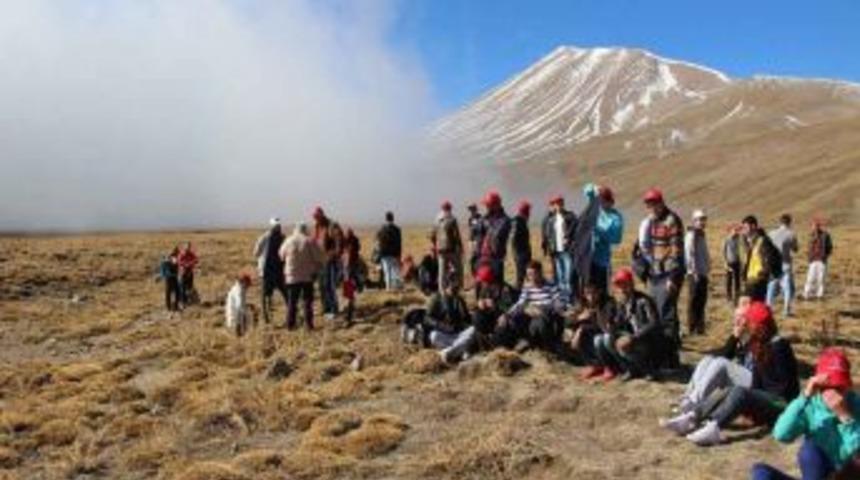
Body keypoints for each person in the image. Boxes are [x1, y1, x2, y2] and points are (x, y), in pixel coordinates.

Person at [666, 302, 799, 446]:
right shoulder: (758, 344)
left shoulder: (780, 346)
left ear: (760, 326)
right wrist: (754, 401)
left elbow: (786, 389)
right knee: (728, 390)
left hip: (782, 403)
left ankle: (714, 427)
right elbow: (757, 379)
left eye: (750, 322)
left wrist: (757, 402)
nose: (748, 325)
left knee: (741, 392)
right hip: (767, 398)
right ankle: (693, 416)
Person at [751, 348, 860, 480]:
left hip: (847, 475)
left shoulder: (856, 403)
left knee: (810, 452)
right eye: (828, 386)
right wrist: (805, 396)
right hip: (816, 474)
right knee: (761, 472)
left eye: (840, 386)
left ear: (848, 385)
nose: (834, 392)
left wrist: (845, 416)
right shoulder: (811, 404)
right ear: (819, 385)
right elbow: (781, 434)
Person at [661, 298, 755, 427]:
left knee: (721, 364)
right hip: (743, 380)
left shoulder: (755, 337)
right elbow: (724, 353)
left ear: (750, 320)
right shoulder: (740, 336)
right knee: (708, 360)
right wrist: (734, 338)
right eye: (735, 317)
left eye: (741, 318)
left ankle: (692, 404)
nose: (736, 321)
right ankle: (688, 399)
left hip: (756, 386)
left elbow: (731, 362)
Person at [638, 188, 685, 368]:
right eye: (648, 204)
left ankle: (672, 358)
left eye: (653, 203)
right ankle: (661, 352)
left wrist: (673, 278)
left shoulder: (671, 220)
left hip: (669, 274)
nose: (650, 207)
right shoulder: (653, 221)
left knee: (667, 315)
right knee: (655, 312)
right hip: (656, 273)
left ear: (661, 202)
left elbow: (676, 250)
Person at [496, 260, 570, 354]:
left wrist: (542, 308)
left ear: (540, 273)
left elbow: (559, 302)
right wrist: (507, 314)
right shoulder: (528, 287)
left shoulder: (551, 285)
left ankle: (547, 347)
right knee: (514, 319)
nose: (532, 277)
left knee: (541, 320)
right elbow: (520, 304)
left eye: (534, 274)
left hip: (547, 317)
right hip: (532, 317)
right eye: (529, 274)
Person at [609, 267, 663, 381]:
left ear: (631, 284)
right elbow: (618, 323)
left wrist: (632, 338)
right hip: (634, 337)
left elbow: (654, 323)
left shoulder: (644, 300)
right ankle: (631, 370)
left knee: (626, 344)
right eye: (619, 285)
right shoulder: (623, 302)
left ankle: (649, 370)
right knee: (609, 340)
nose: (622, 289)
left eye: (625, 284)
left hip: (647, 339)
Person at [570, 280, 620, 380]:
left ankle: (610, 366)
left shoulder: (608, 302)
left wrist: (581, 328)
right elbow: (568, 321)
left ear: (599, 292)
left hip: (607, 334)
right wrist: (580, 318)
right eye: (588, 294)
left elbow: (604, 326)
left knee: (600, 338)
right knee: (580, 334)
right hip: (592, 333)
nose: (591, 297)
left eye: (593, 293)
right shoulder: (583, 303)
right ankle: (594, 365)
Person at [280, 222, 325, 330]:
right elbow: (319, 257)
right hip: (307, 277)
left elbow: (281, 255)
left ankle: (290, 325)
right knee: (307, 301)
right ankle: (308, 325)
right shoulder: (310, 241)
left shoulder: (289, 240)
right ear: (305, 229)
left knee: (292, 302)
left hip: (292, 277)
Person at [583, 183, 624, 296]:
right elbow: (587, 190)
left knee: (601, 290)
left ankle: (603, 310)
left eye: (603, 200)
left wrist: (598, 231)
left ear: (610, 201)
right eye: (599, 200)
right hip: (586, 258)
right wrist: (595, 188)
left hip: (602, 261)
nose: (601, 203)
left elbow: (616, 238)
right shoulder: (595, 208)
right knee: (587, 288)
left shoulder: (615, 217)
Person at [424, 276, 472, 363]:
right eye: (453, 288)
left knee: (473, 330)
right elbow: (427, 318)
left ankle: (448, 352)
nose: (455, 290)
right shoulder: (436, 298)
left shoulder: (459, 299)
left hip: (458, 334)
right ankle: (460, 350)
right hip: (443, 334)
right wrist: (441, 326)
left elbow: (467, 319)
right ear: (445, 287)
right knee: (433, 336)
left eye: (457, 288)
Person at [542, 195, 578, 301]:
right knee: (560, 276)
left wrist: (569, 237)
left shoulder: (570, 216)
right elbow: (547, 233)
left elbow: (576, 227)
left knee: (568, 276)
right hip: (556, 251)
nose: (558, 205)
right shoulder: (551, 219)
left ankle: (569, 298)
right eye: (556, 203)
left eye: (560, 203)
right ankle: (561, 298)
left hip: (567, 250)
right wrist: (547, 247)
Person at [254, 218, 287, 323]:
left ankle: (291, 313)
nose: (278, 228)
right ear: (272, 227)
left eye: (278, 226)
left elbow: (256, 253)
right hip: (269, 271)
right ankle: (267, 318)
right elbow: (256, 252)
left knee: (282, 294)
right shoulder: (265, 238)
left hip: (277, 271)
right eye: (276, 226)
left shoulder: (282, 238)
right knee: (267, 295)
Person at [742, 215, 782, 302]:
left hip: (757, 282)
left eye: (745, 227)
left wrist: (762, 276)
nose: (743, 230)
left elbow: (768, 260)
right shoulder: (752, 242)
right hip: (751, 280)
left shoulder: (763, 241)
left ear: (753, 226)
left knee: (750, 308)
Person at [476, 190, 512, 285]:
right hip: (483, 256)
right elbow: (479, 235)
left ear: (496, 205)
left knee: (496, 283)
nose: (486, 208)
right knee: (481, 282)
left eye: (488, 205)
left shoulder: (505, 220)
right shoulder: (485, 219)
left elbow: (498, 235)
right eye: (486, 205)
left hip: (496, 257)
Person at [685, 209, 711, 335]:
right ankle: (692, 327)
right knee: (694, 301)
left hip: (702, 272)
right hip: (694, 273)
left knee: (702, 300)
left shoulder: (701, 234)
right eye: (699, 220)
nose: (702, 222)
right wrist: (693, 271)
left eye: (703, 219)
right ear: (694, 221)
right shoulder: (692, 235)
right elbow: (690, 254)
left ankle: (700, 328)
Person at [768, 214, 800, 317]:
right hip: (785, 264)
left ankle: (768, 308)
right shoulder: (791, 234)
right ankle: (786, 310)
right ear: (789, 222)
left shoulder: (771, 233)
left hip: (773, 263)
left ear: (780, 222)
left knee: (771, 287)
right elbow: (795, 249)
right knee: (787, 288)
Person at [312, 207, 340, 319]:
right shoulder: (317, 226)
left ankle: (333, 309)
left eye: (317, 217)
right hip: (319, 261)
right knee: (322, 286)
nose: (316, 219)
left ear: (322, 216)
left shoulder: (332, 225)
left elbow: (338, 244)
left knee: (329, 285)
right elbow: (315, 241)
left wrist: (332, 255)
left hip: (329, 260)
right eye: (315, 218)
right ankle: (326, 308)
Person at [432, 201, 464, 292]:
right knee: (458, 268)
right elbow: (456, 236)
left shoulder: (437, 219)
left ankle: (442, 290)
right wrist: (461, 248)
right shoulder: (452, 219)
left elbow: (432, 235)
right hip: (451, 249)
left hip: (440, 250)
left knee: (441, 272)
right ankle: (458, 287)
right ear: (450, 208)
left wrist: (435, 246)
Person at [803, 218, 834, 301]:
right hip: (813, 259)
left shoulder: (825, 235)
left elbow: (830, 247)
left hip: (821, 260)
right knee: (810, 277)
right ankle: (807, 294)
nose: (815, 227)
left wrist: (825, 255)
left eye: (817, 225)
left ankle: (820, 295)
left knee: (821, 278)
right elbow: (808, 246)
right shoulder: (811, 235)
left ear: (819, 226)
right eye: (813, 226)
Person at [376, 211, 403, 291]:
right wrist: (399, 255)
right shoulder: (397, 230)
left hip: (384, 254)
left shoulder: (381, 229)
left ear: (386, 218)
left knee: (387, 272)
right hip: (394, 254)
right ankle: (395, 288)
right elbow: (399, 243)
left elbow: (378, 242)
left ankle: (388, 288)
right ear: (393, 218)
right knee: (395, 271)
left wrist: (379, 256)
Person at [510, 200, 532, 290]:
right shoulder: (518, 221)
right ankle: (518, 293)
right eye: (528, 211)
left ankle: (523, 290)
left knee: (524, 274)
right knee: (521, 274)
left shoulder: (520, 221)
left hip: (522, 252)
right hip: (520, 253)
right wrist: (518, 252)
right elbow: (514, 238)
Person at [342, 228, 362, 325]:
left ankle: (348, 317)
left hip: (348, 269)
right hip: (352, 268)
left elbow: (347, 260)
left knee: (349, 294)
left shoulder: (348, 248)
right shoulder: (354, 243)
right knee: (350, 294)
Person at [723, 224, 744, 305]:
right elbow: (723, 251)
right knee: (729, 280)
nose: (736, 232)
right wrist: (725, 262)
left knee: (737, 280)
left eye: (737, 230)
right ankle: (729, 296)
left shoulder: (738, 239)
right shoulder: (727, 240)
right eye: (734, 230)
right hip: (729, 262)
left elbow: (741, 250)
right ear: (731, 231)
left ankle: (737, 295)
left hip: (737, 262)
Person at [158, 247, 182, 312]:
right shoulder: (171, 258)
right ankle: (171, 307)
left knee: (173, 292)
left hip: (172, 278)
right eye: (178, 253)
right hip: (170, 278)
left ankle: (171, 307)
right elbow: (165, 268)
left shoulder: (172, 258)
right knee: (172, 292)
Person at [466, 203, 483, 276]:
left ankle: (478, 272)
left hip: (477, 240)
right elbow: (470, 228)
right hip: (471, 240)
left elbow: (481, 229)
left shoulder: (480, 217)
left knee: (477, 257)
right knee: (471, 258)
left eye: (472, 209)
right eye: (470, 210)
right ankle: (474, 272)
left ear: (475, 209)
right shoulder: (470, 219)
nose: (471, 211)